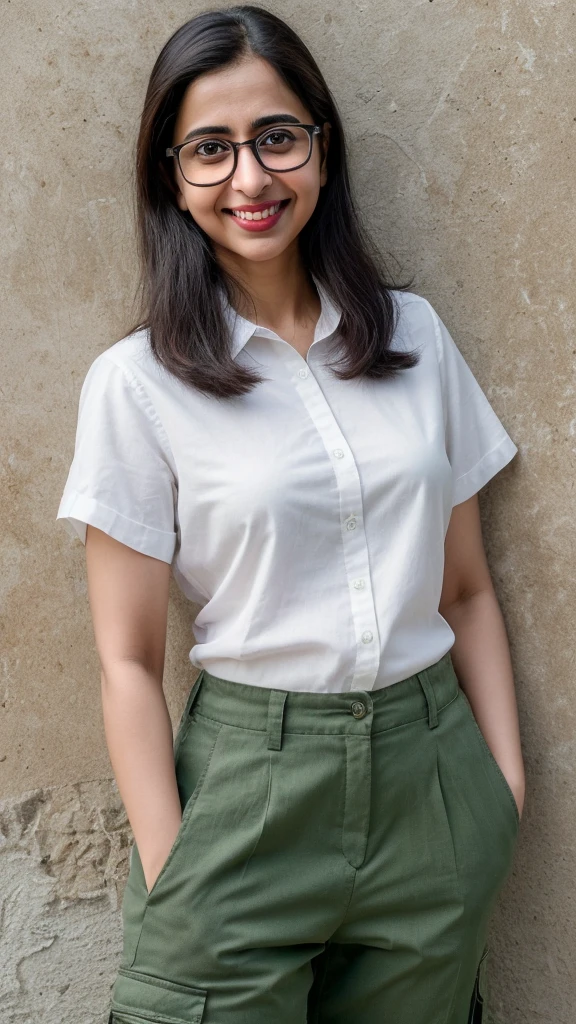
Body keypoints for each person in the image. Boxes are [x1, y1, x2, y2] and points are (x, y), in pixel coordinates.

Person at [56, 6, 525, 1022]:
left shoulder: (413, 337)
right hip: (245, 792)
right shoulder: (134, 385)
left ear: (320, 145)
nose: (251, 179)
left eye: (276, 137)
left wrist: (501, 796)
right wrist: (174, 868)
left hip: (430, 780)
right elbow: (127, 661)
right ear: (170, 177)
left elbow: (467, 588)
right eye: (209, 150)